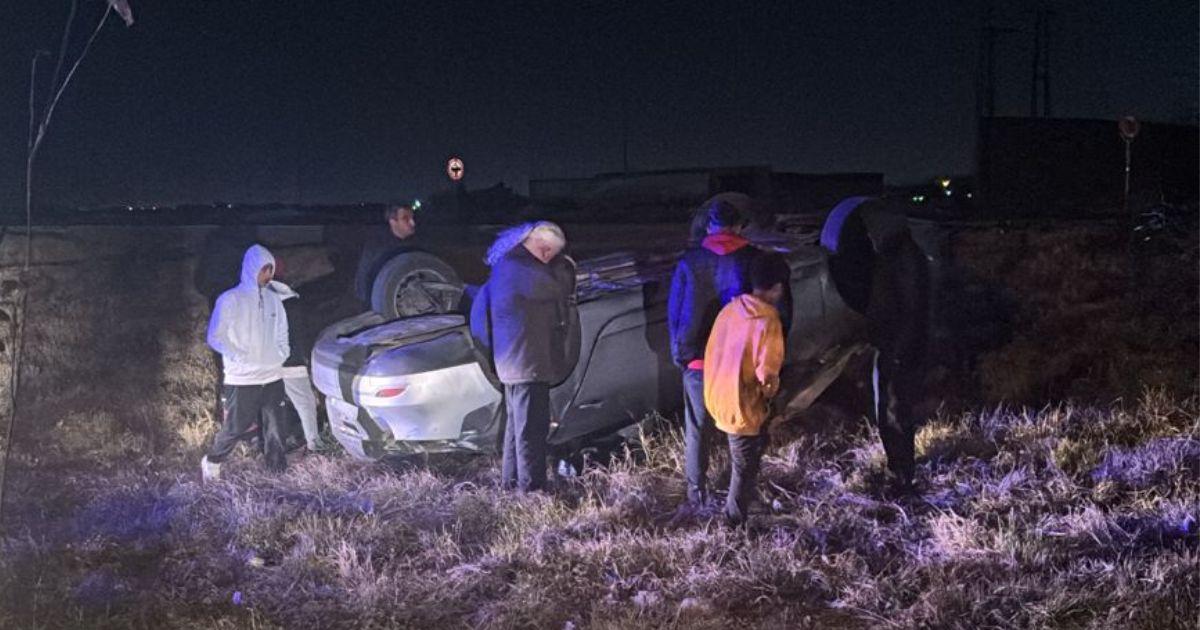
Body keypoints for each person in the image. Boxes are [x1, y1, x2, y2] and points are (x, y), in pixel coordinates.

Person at [821, 196, 930, 493]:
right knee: (887, 408)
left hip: (898, 347)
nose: (871, 231)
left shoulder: (903, 257)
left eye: (874, 225)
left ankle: (902, 476)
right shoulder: (891, 254)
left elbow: (912, 309)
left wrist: (898, 352)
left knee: (895, 409)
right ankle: (898, 468)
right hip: (889, 344)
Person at [667, 199, 759, 508]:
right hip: (738, 361)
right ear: (738, 226)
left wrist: (680, 355)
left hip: (697, 359)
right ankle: (741, 494)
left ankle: (696, 495)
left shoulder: (689, 261)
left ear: (709, 227)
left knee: (697, 429)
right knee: (742, 428)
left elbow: (676, 313)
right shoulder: (752, 259)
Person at [476, 221, 575, 493]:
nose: (551, 259)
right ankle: (532, 490)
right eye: (551, 254)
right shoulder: (522, 269)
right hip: (526, 363)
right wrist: (564, 267)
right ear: (543, 249)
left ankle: (511, 484)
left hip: (515, 363)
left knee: (516, 430)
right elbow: (559, 288)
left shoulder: (508, 265)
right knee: (531, 431)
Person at [703, 253, 789, 524]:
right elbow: (767, 373)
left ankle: (749, 499)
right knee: (744, 464)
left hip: (717, 395)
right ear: (777, 287)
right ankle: (733, 523)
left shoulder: (730, 309)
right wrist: (770, 394)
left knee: (750, 451)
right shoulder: (768, 320)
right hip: (741, 403)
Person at [201, 244, 291, 480]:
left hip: (272, 375)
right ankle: (213, 461)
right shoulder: (230, 299)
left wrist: (281, 353)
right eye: (264, 270)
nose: (268, 275)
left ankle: (277, 470)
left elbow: (282, 332)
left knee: (276, 428)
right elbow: (214, 336)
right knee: (236, 427)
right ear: (252, 269)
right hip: (242, 378)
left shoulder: (274, 300)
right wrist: (237, 355)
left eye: (270, 270)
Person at [269, 279, 327, 452]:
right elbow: (300, 337)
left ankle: (276, 446)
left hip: (269, 364)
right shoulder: (292, 307)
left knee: (275, 407)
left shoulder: (264, 308)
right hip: (291, 364)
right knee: (306, 404)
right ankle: (314, 444)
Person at [354, 203, 417, 306]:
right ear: (393, 222)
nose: (412, 223)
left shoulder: (413, 243)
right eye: (406, 219)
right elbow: (364, 283)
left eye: (412, 218)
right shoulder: (379, 247)